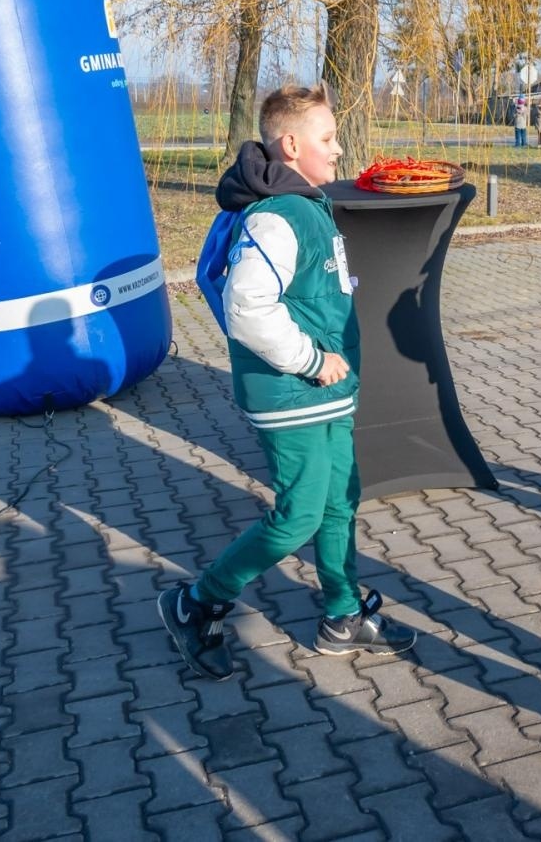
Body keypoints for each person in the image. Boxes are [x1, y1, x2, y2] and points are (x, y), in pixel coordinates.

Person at [161, 85, 416, 681]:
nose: (339, 148)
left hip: (324, 391)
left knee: (338, 503)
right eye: (328, 138)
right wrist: (308, 360)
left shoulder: (306, 203)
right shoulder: (277, 216)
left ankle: (343, 616)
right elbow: (247, 305)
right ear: (293, 143)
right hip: (293, 392)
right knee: (300, 515)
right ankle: (197, 602)